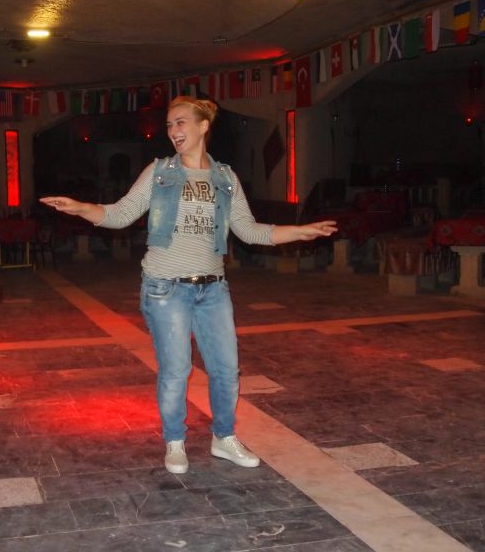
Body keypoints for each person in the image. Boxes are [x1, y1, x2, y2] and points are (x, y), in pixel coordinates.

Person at [41, 96, 337, 474]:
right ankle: (175, 441)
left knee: (227, 370)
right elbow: (121, 213)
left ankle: (223, 437)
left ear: (203, 126)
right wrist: (82, 208)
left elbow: (249, 230)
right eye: (169, 125)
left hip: (213, 289)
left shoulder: (225, 178)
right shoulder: (159, 172)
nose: (173, 131)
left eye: (181, 122)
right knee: (176, 371)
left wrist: (300, 232)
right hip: (166, 288)